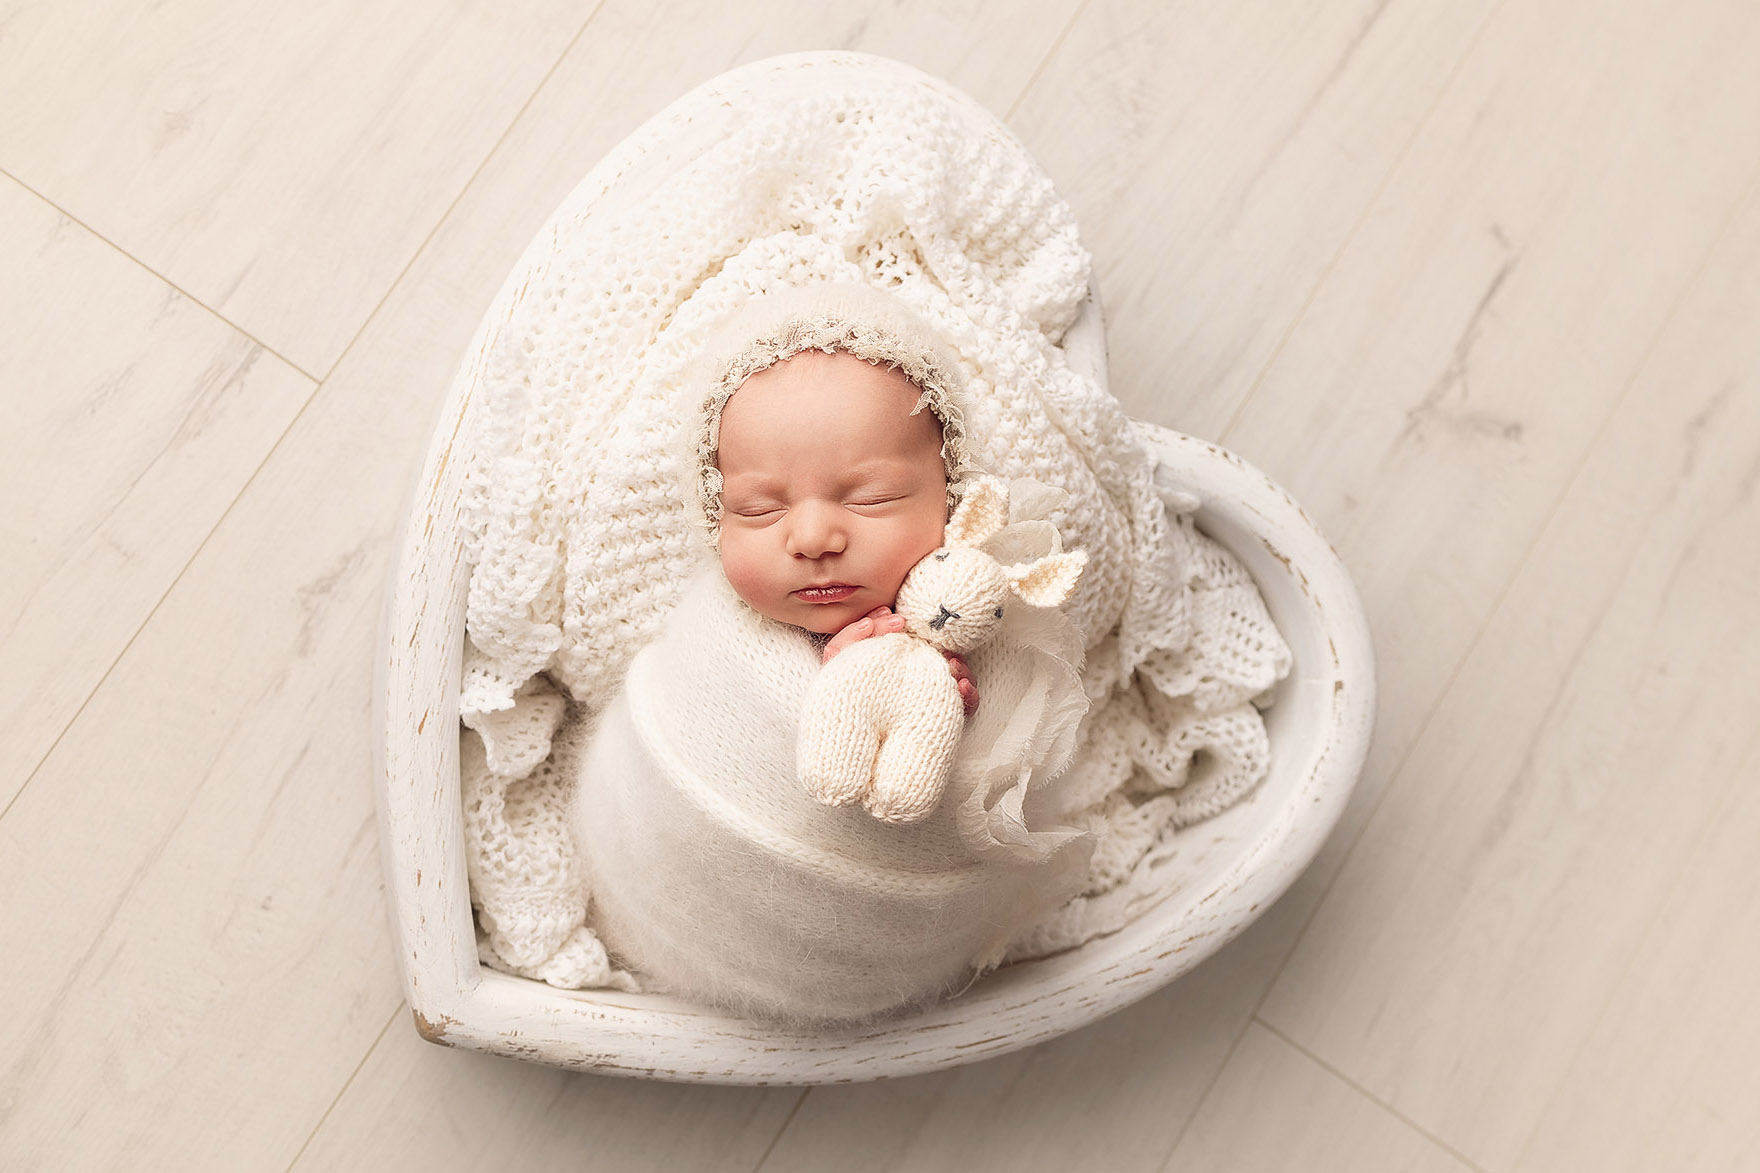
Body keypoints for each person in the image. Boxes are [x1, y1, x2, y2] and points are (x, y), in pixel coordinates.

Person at [711, 345, 979, 715]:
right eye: (759, 509)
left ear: (951, 498)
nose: (813, 539)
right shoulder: (706, 642)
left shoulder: (980, 617)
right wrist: (843, 690)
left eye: (872, 498)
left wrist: (946, 715)